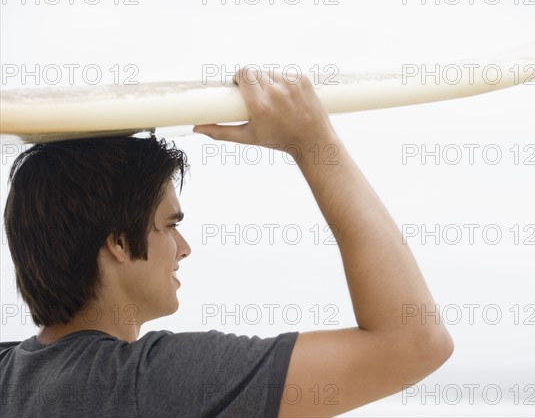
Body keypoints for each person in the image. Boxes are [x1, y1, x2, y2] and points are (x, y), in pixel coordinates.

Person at [0, 68, 453, 417]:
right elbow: (414, 343)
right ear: (118, 242)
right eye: (169, 225)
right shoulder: (152, 382)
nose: (183, 248)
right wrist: (313, 142)